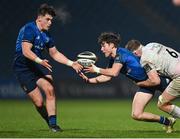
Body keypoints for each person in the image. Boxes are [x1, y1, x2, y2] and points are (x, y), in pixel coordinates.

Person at [80, 32, 176, 133]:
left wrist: (96, 69)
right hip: (145, 85)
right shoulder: (113, 58)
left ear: (112, 45)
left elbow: (113, 72)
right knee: (136, 114)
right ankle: (168, 122)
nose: (101, 49)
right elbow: (107, 77)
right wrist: (89, 80)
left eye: (103, 45)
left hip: (156, 78)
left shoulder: (121, 54)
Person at [13, 3, 83, 132]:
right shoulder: (29, 28)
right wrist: (40, 60)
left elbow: (55, 53)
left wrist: (71, 63)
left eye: (52, 20)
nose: (50, 22)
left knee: (50, 89)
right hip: (23, 67)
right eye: (48, 19)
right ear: (39, 18)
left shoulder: (47, 35)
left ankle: (54, 125)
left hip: (38, 64)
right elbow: (25, 51)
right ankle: (48, 121)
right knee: (39, 102)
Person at [126, 40, 180, 131]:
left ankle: (169, 121)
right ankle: (168, 122)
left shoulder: (145, 60)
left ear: (134, 53)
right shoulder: (152, 44)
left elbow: (155, 81)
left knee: (162, 103)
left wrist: (139, 83)